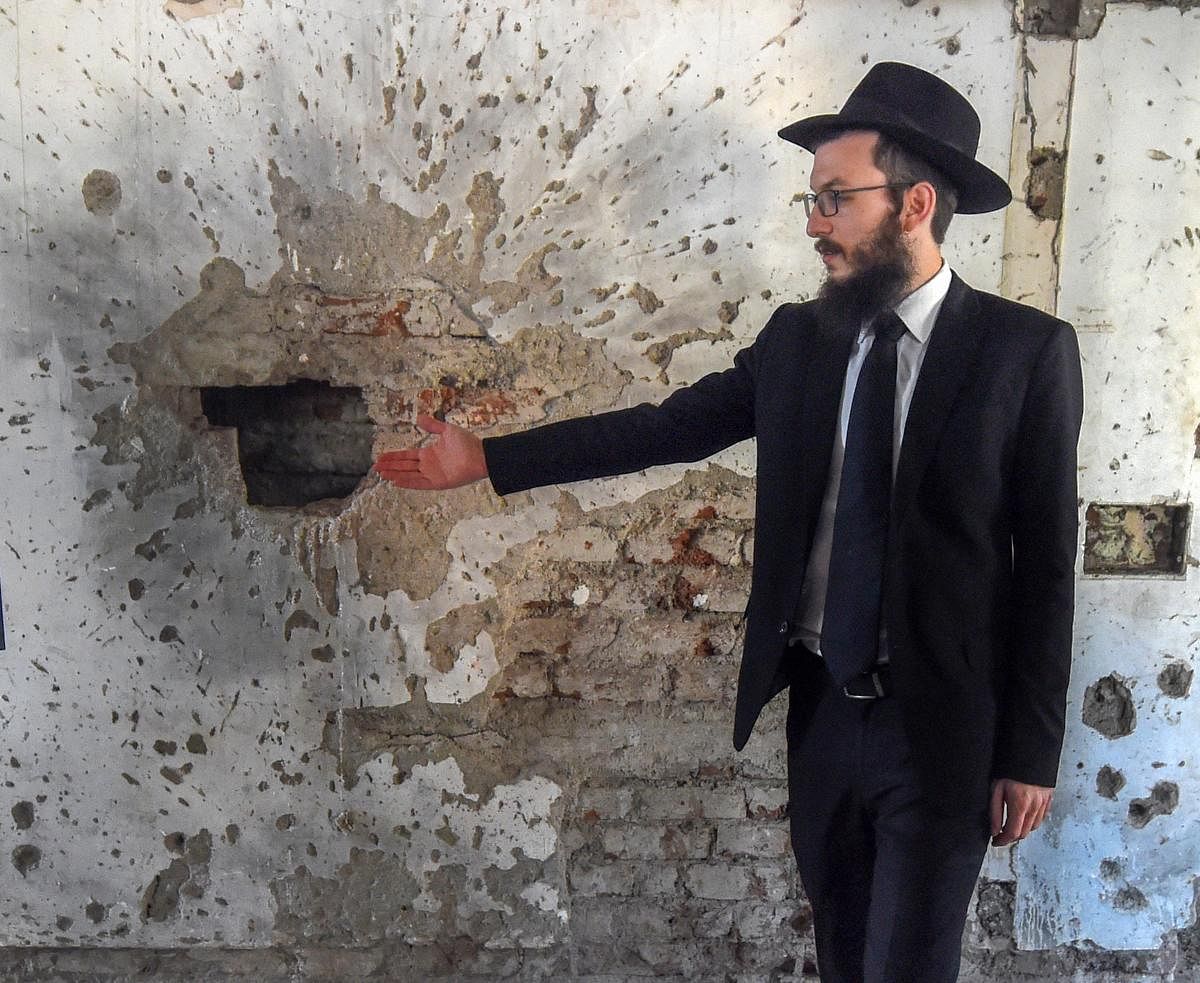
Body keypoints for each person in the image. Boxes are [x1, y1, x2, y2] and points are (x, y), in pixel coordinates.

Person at [375, 62, 1084, 983]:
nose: (812, 221)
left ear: (914, 205)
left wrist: (1031, 751)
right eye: (811, 198)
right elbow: (667, 427)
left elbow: (1048, 568)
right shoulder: (799, 340)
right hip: (824, 716)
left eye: (835, 199)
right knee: (841, 956)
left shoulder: (1023, 353)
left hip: (944, 730)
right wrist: (489, 459)